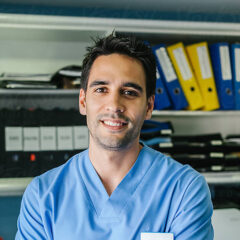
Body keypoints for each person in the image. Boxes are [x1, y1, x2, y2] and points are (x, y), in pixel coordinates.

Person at [15, 34, 213, 240]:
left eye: (129, 92)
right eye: (101, 89)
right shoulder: (43, 196)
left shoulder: (184, 190)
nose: (114, 105)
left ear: (149, 106)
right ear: (82, 101)